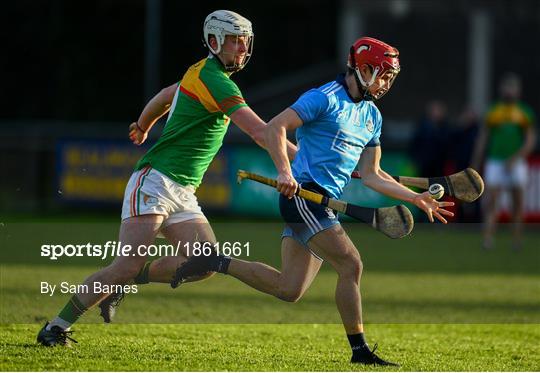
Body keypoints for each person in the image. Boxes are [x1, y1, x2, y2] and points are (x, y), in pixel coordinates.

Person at [172, 37, 454, 366]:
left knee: (289, 289)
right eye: (384, 74)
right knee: (351, 264)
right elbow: (276, 127)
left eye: (391, 77)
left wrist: (417, 198)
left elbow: (373, 174)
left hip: (320, 201)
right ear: (363, 69)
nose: (387, 83)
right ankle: (360, 351)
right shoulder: (324, 98)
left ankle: (215, 262)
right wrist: (284, 172)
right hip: (304, 196)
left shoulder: (372, 116)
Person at [37, 9, 297, 346]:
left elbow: (164, 95)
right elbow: (262, 134)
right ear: (214, 41)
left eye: (245, 42)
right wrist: (298, 163)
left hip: (183, 191)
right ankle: (56, 327)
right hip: (156, 181)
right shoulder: (214, 79)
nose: (242, 49)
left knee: (203, 263)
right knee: (124, 265)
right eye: (235, 42)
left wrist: (143, 125)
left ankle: (126, 281)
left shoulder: (201, 72)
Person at [471, 73, 536, 250]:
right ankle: (488, 239)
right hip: (495, 162)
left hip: (516, 163)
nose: (509, 91)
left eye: (512, 87)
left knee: (518, 202)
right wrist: (476, 161)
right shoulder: (493, 111)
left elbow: (530, 140)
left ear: (518, 91)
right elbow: (483, 138)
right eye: (507, 87)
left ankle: (516, 240)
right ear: (502, 89)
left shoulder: (524, 112)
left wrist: (516, 158)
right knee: (492, 201)